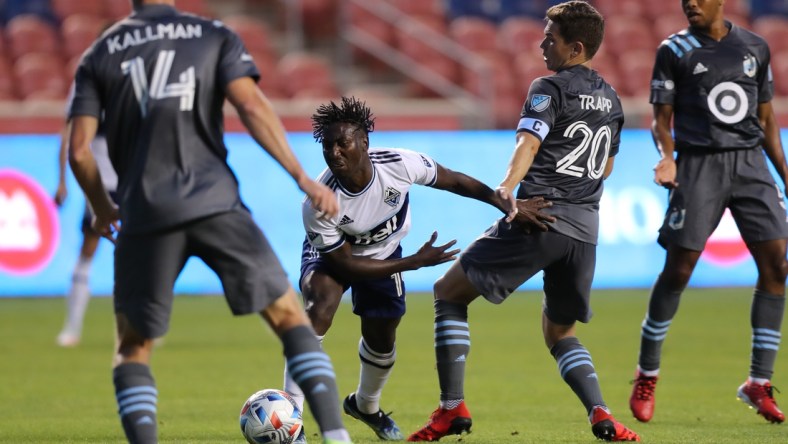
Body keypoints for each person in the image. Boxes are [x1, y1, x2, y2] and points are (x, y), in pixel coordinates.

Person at [67, 1, 354, 443]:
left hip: (145, 214)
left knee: (133, 350)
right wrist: (301, 177)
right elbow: (253, 107)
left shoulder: (99, 54)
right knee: (290, 318)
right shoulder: (212, 35)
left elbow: (80, 151)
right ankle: (335, 436)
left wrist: (102, 208)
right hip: (215, 203)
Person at [407, 1, 640, 442]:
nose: (540, 44)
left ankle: (451, 408)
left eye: (549, 38)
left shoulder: (547, 87)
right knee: (559, 329)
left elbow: (528, 142)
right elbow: (605, 168)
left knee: (448, 293)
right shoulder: (612, 98)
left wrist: (507, 187)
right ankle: (601, 414)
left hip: (540, 217)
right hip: (585, 232)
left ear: (575, 46)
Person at [282, 96, 554, 441]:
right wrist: (413, 262)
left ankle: (365, 405)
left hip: (384, 253)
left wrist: (505, 204)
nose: (334, 152)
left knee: (382, 339)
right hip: (337, 257)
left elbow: (454, 181)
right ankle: (291, 416)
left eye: (342, 143)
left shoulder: (399, 164)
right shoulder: (318, 202)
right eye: (327, 145)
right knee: (319, 304)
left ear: (364, 142)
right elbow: (345, 265)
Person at [629, 0, 788, 425]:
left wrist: (785, 176)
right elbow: (661, 119)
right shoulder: (674, 50)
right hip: (699, 165)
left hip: (750, 163)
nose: (690, 4)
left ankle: (758, 381)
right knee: (679, 270)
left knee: (776, 265)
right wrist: (667, 156)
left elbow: (767, 117)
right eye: (685, 0)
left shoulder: (755, 47)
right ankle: (647, 372)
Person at [54, 82, 118, 348]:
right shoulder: (89, 83)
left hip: (133, 186)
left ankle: (138, 328)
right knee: (88, 251)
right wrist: (62, 181)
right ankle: (72, 326)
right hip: (99, 187)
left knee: (139, 259)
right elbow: (69, 137)